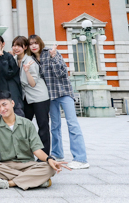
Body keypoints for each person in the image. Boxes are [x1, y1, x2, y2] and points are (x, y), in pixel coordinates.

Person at [0, 91, 70, 190]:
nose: (2, 109)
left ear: (12, 103)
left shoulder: (27, 124)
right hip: (5, 165)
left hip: (27, 164)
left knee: (50, 168)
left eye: (4, 104)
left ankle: (9, 183)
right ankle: (35, 180)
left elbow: (36, 150)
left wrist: (50, 159)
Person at [29, 34, 89, 169]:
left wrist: (54, 57)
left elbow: (61, 73)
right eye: (31, 43)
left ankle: (81, 158)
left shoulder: (50, 52)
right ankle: (57, 153)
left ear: (40, 43)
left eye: (35, 43)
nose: (33, 46)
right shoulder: (32, 59)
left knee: (72, 124)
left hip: (63, 92)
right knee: (55, 126)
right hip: (50, 96)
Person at [14, 36, 50, 155]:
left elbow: (33, 83)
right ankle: (25, 154)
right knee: (24, 125)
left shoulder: (30, 61)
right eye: (14, 45)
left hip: (39, 96)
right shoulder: (15, 59)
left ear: (25, 47)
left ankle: (44, 157)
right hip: (27, 98)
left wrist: (27, 71)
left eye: (19, 45)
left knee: (42, 126)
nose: (16, 48)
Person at [0, 35, 24, 118]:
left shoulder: (8, 57)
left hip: (11, 93)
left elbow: (9, 74)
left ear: (3, 44)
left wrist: (1, 59)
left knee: (16, 117)